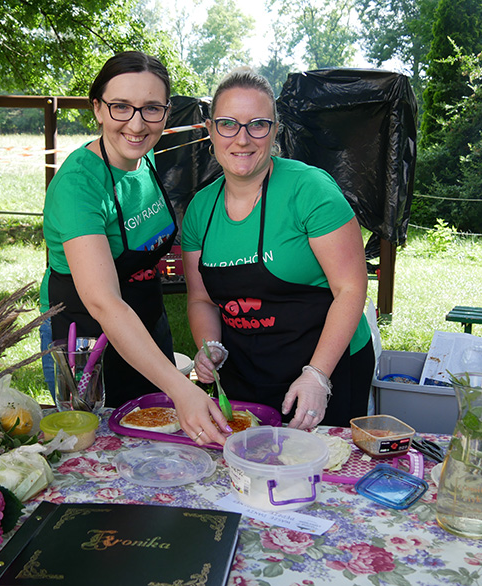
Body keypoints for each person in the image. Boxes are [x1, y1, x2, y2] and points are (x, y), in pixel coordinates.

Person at [40, 51, 231, 445]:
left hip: (147, 324)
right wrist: (181, 388)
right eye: (121, 107)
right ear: (97, 108)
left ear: (166, 112)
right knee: (99, 456)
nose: (137, 124)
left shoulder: (143, 158)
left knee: (155, 448)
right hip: (86, 341)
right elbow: (104, 302)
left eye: (151, 109)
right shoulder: (79, 186)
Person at [182, 69, 375, 430]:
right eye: (228, 124)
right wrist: (211, 345)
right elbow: (201, 299)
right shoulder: (200, 210)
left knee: (324, 461)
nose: (242, 139)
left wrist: (318, 375)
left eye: (257, 125)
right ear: (210, 130)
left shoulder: (310, 190)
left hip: (328, 364)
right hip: (243, 371)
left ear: (275, 131)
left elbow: (350, 288)